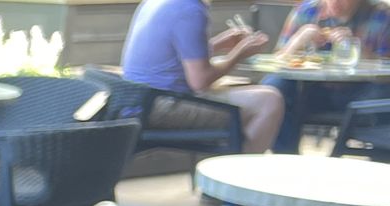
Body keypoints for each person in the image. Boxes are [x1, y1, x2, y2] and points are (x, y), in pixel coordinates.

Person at [120, 0, 283, 152]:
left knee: (256, 97)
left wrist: (219, 43)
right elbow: (200, 81)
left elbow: (175, 53)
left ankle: (233, 161)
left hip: (139, 100)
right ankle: (241, 170)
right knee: (270, 100)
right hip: (162, 107)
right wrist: (239, 54)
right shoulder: (190, 10)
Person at [264, 0, 390, 152]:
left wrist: (357, 49)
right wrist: (298, 40)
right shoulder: (307, 11)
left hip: (360, 93)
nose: (334, 2)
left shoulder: (380, 15)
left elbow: (386, 72)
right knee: (275, 86)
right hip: (311, 92)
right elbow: (276, 62)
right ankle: (285, 155)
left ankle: (377, 155)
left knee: (382, 96)